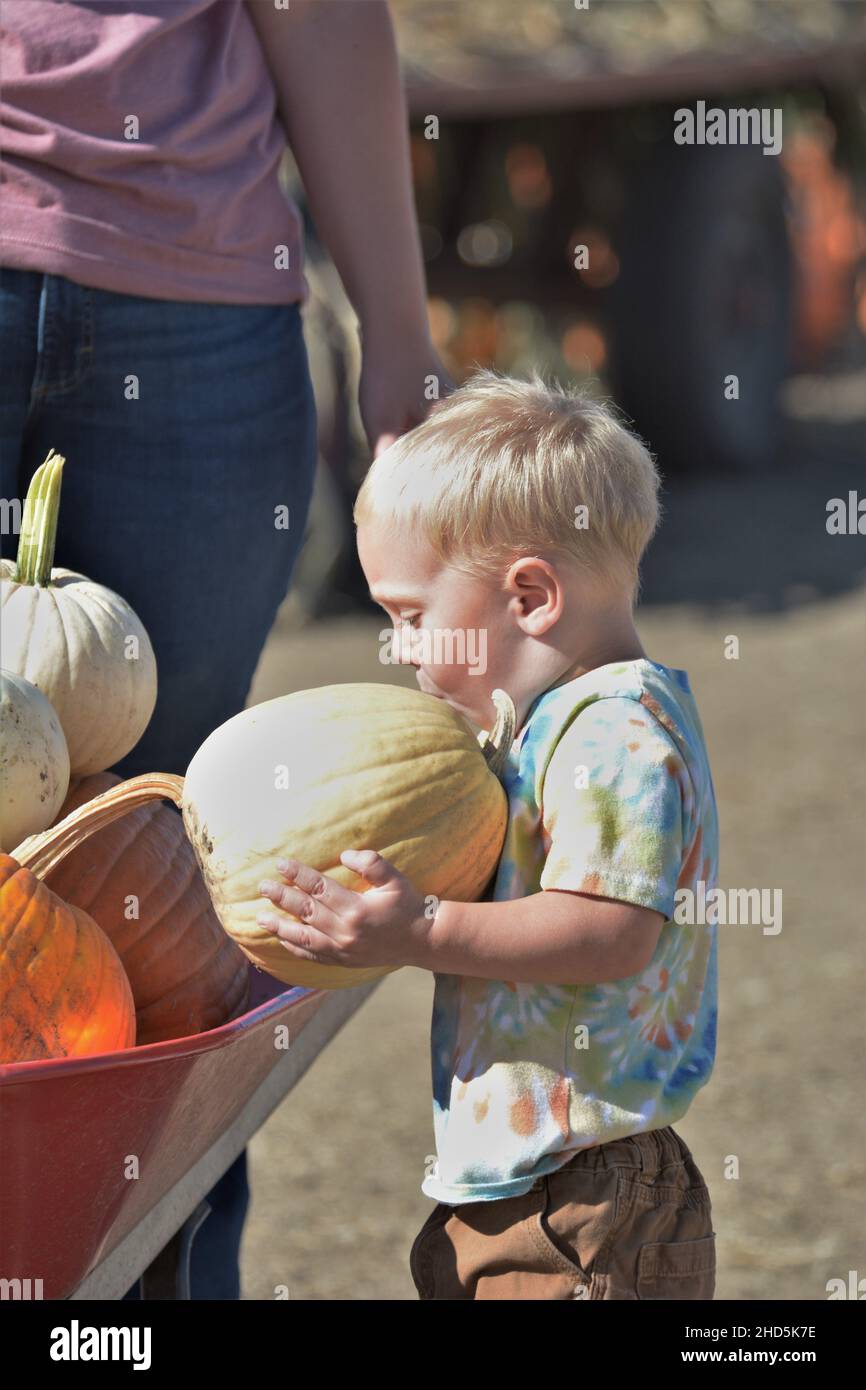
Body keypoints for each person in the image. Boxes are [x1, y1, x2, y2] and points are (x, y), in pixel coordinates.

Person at [1, 0, 450, 1299]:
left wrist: (398, 334)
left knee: (174, 907)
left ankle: (151, 1301)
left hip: (191, 301)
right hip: (191, 312)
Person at [256, 368, 720, 1299]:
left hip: (585, 1197)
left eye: (412, 618)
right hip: (526, 1177)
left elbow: (610, 929)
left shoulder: (614, 732)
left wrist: (423, 929)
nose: (398, 649)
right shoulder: (546, 723)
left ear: (530, 598)